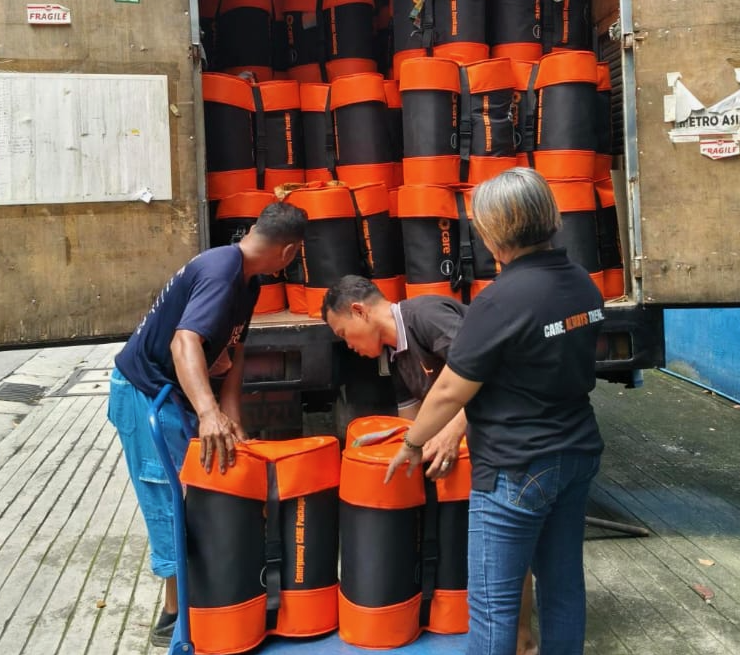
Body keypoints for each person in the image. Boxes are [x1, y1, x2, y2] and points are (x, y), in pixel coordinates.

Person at [385, 167, 605, 655]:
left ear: (491, 232)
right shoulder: (585, 286)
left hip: (515, 466)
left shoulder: (501, 301)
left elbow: (447, 392)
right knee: (563, 586)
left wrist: (412, 442)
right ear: (550, 218)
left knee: (494, 607)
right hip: (576, 453)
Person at [108, 201, 307, 647]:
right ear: (291, 252)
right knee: (171, 503)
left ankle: (190, 605)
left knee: (194, 497)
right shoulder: (220, 272)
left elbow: (232, 355)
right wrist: (207, 412)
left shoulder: (245, 281)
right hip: (146, 395)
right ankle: (175, 619)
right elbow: (185, 343)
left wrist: (233, 421)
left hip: (172, 395)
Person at [321, 275, 539, 655]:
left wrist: (452, 434)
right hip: (485, 441)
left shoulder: (425, 315)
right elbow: (412, 421)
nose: (349, 346)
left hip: (516, 435)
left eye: (344, 333)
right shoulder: (396, 355)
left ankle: (524, 643)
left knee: (510, 547)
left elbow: (487, 369)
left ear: (360, 310)